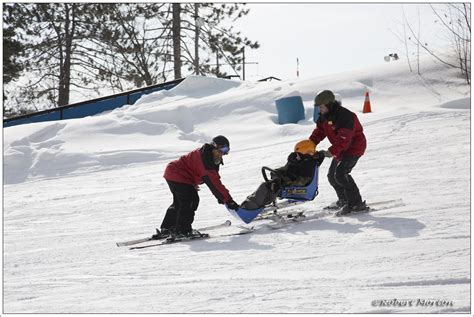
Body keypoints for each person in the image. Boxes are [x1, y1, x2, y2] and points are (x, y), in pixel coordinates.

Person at [158, 135, 239, 238]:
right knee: (190, 201)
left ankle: (168, 228)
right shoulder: (206, 159)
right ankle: (183, 231)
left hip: (174, 173)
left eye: (226, 150)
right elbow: (214, 183)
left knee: (180, 202)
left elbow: (194, 170)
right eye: (222, 149)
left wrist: (192, 183)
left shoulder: (207, 155)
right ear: (214, 146)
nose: (223, 153)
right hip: (177, 174)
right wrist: (228, 200)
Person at [310, 90, 367, 215]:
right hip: (341, 149)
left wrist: (328, 152)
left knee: (341, 174)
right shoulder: (325, 116)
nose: (319, 110)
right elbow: (319, 132)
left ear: (329, 105)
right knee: (332, 176)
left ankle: (356, 204)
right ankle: (344, 200)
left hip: (354, 148)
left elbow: (344, 140)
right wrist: (310, 144)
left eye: (321, 107)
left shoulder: (346, 116)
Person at [240, 140, 325, 210]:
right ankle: (250, 205)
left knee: (268, 186)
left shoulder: (309, 163)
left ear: (305, 151)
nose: (297, 155)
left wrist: (284, 179)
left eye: (298, 152)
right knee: (269, 186)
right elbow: (286, 169)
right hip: (292, 185)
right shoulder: (300, 160)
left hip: (302, 189)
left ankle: (250, 207)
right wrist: (280, 171)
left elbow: (303, 181)